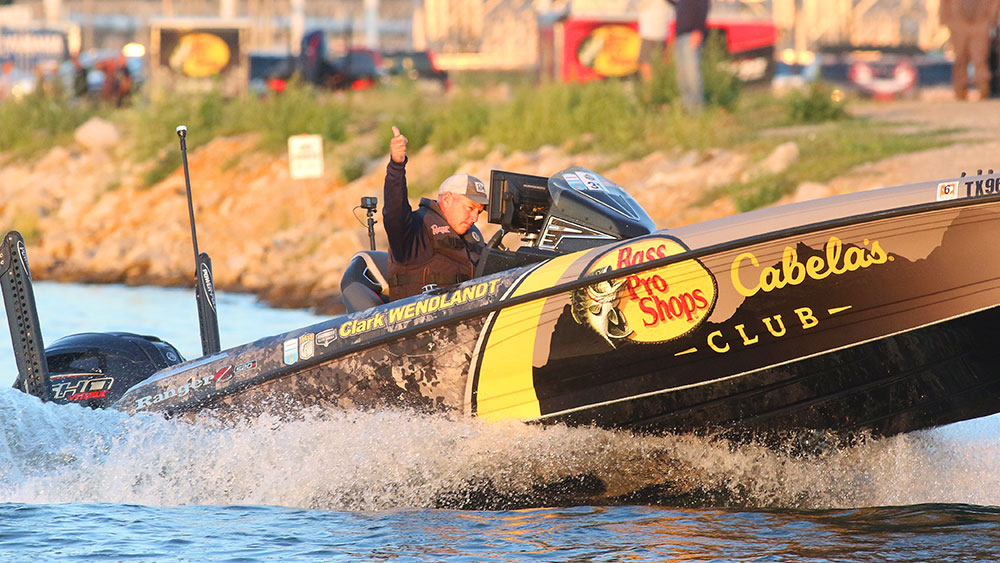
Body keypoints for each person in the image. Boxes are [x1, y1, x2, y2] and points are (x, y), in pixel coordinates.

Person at [382, 126, 488, 300]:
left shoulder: (472, 237)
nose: (475, 217)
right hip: (421, 315)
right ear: (447, 198)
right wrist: (396, 165)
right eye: (470, 208)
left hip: (468, 312)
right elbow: (394, 212)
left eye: (479, 212)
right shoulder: (415, 230)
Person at [940, 0, 1000, 100]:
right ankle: (960, 91)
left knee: (980, 58)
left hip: (980, 22)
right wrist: (946, 19)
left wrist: (991, 18)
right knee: (960, 58)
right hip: (958, 22)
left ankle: (983, 90)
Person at [667, 0, 709, 111]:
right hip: (680, 36)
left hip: (691, 35)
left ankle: (697, 109)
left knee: (692, 74)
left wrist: (698, 30)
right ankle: (687, 107)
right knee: (682, 75)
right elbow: (677, 5)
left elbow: (703, 5)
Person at [637, 0, 669, 81]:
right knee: (646, 62)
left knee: (650, 62)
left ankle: (654, 85)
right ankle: (651, 86)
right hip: (649, 31)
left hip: (658, 31)